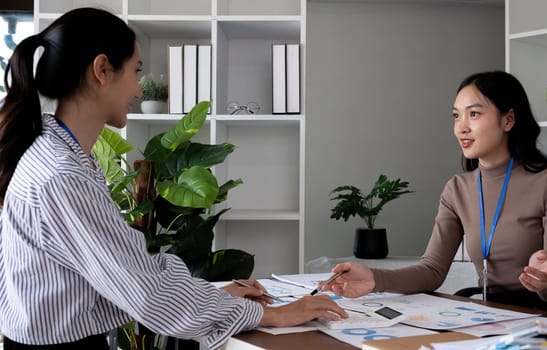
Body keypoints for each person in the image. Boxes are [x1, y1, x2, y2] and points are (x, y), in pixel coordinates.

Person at [0, 7, 345, 350]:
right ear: (102, 70)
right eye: (135, 72)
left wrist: (212, 296)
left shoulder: (54, 153)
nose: (138, 90)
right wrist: (271, 315)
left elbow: (117, 271)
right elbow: (143, 290)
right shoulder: (62, 175)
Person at [322, 71, 547, 312]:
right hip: (490, 317)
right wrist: (374, 279)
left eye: (474, 114)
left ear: (508, 120)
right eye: (456, 116)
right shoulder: (457, 188)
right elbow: (432, 270)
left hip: (543, 319)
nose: (461, 127)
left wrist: (545, 281)